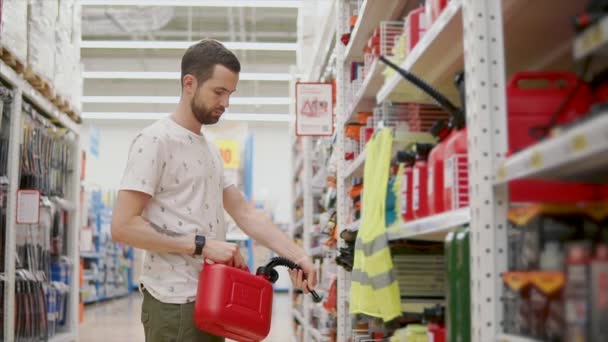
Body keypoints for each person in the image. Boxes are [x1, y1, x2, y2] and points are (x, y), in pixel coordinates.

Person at [110, 39, 316, 342]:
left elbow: (244, 212)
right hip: (174, 304)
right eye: (218, 92)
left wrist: (299, 256)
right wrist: (202, 245)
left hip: (211, 298)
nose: (226, 103)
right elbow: (123, 226)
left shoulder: (209, 150)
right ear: (189, 83)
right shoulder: (155, 141)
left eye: (230, 94)